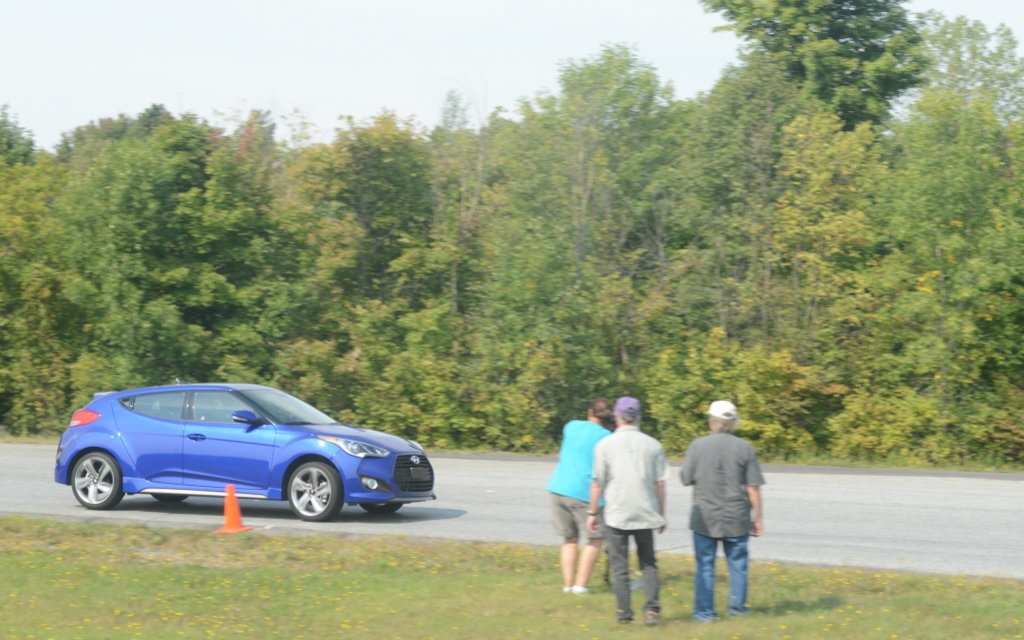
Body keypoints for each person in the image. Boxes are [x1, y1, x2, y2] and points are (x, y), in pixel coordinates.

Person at [680, 400, 765, 622]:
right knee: (738, 565)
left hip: (705, 517)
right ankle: (737, 609)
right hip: (737, 516)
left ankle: (705, 612)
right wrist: (758, 518)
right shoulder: (745, 448)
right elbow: (753, 487)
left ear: (712, 423)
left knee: (705, 565)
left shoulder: (697, 445)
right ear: (734, 423)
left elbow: (685, 479)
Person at [586, 396, 669, 626]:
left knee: (619, 565)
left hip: (617, 513)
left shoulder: (604, 445)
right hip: (645, 511)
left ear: (617, 416)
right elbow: (660, 483)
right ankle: (652, 610)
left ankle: (624, 612)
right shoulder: (653, 444)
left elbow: (597, 483)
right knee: (648, 563)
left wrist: (592, 513)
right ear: (638, 417)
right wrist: (661, 513)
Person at [546, 398, 615, 593]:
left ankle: (567, 585)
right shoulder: (606, 437)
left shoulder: (571, 426)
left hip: (558, 487)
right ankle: (580, 586)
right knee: (594, 539)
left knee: (569, 539)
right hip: (585, 493)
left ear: (589, 411)